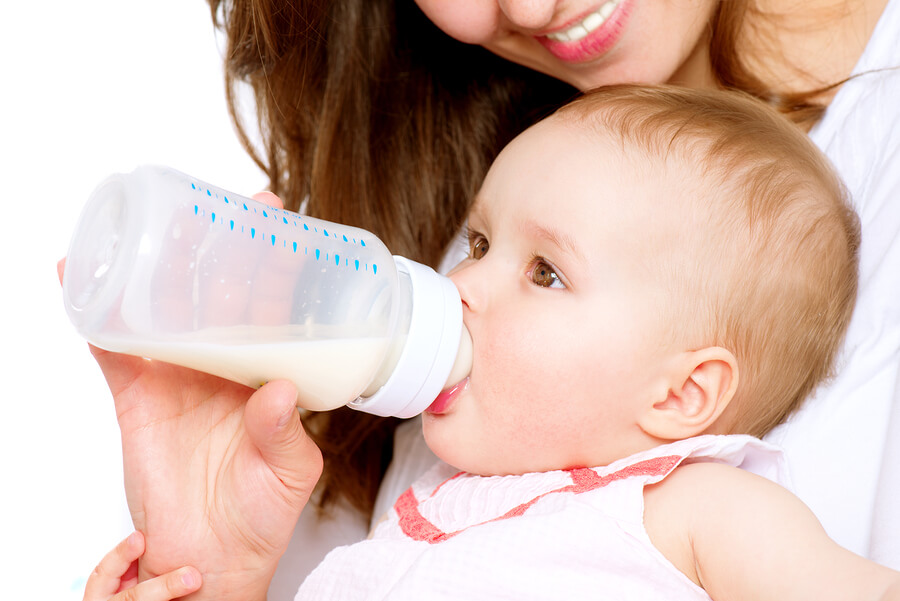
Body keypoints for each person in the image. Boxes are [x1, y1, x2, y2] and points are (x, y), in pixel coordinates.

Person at [78, 0, 900, 599]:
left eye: (545, 272)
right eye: (476, 243)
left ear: (683, 392)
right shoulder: (422, 509)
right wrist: (216, 581)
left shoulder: (695, 512)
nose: (461, 284)